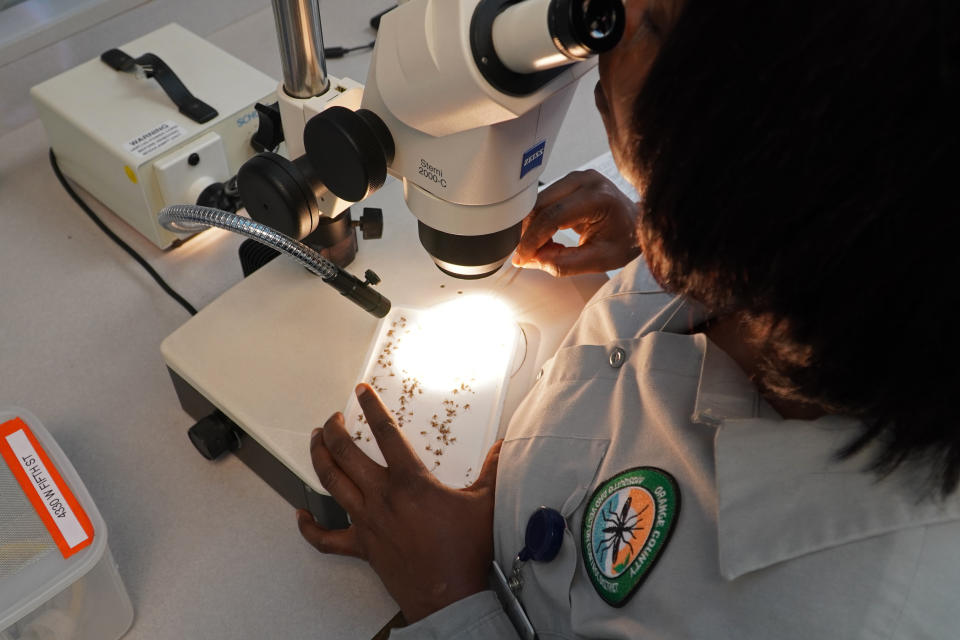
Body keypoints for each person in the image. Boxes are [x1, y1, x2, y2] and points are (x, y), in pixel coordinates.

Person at [296, 0, 960, 637]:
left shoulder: (851, 615)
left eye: (660, 23)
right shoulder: (837, 255)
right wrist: (668, 237)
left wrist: (451, 599)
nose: (616, 22)